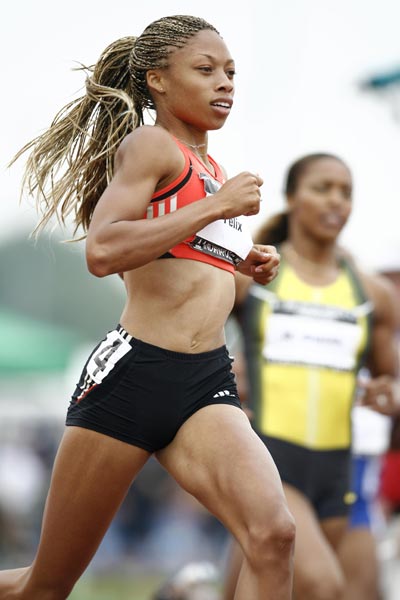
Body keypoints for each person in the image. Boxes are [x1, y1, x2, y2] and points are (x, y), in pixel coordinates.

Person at [0, 14, 296, 600]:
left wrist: (247, 262)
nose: (224, 83)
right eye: (205, 70)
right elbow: (104, 250)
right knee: (45, 587)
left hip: (205, 380)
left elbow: (182, 260)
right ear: (158, 80)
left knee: (273, 535)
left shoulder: (212, 172)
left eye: (230, 72)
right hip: (133, 376)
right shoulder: (151, 146)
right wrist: (217, 209)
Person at [223, 152, 400, 600]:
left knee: (270, 587)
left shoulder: (373, 294)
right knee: (323, 587)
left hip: (337, 470)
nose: (336, 200)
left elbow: (391, 379)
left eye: (346, 192)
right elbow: (192, 335)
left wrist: (391, 395)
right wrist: (224, 381)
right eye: (323, 188)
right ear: (291, 198)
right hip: (269, 460)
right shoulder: (254, 275)